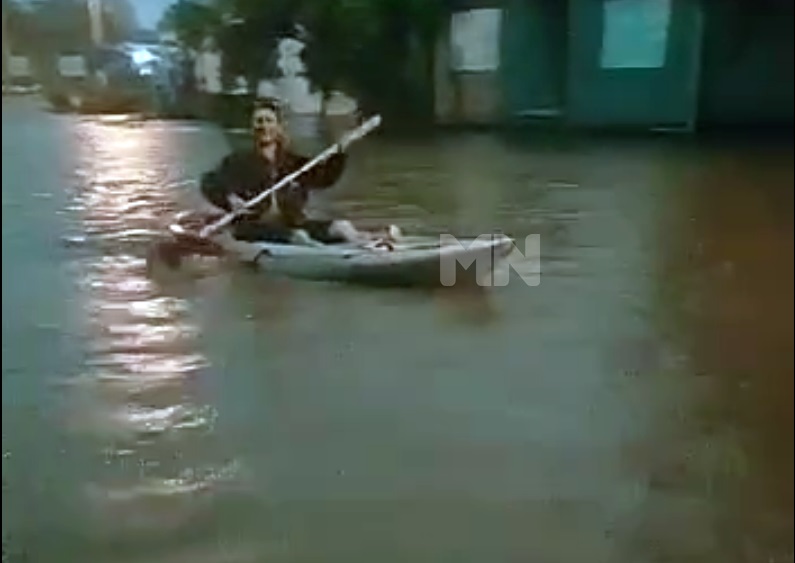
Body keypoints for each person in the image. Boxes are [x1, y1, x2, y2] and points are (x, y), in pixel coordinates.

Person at [200, 97, 397, 247]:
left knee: (341, 226)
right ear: (252, 127)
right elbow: (209, 182)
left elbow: (325, 178)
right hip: (254, 228)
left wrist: (339, 153)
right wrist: (229, 198)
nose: (263, 126)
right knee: (299, 237)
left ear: (278, 127)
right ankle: (323, 256)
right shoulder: (237, 162)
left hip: (291, 223)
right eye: (259, 121)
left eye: (269, 121)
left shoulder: (293, 162)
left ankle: (369, 245)